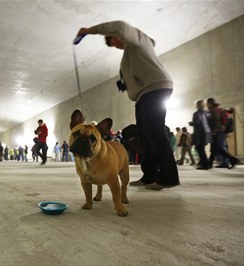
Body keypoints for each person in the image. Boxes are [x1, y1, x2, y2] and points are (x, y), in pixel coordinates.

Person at [76, 20, 179, 190]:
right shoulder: (127, 58)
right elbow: (131, 76)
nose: (115, 43)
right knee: (143, 135)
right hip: (141, 95)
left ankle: (168, 177)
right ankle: (149, 175)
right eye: (112, 44)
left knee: (154, 130)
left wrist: (89, 30)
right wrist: (125, 84)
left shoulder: (137, 40)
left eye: (115, 39)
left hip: (156, 87)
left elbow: (119, 25)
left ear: (122, 35)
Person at [206, 98, 240, 169]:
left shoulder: (213, 110)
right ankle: (210, 163)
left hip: (217, 131)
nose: (206, 105)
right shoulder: (218, 109)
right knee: (214, 147)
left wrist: (214, 131)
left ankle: (232, 160)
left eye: (207, 103)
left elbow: (215, 121)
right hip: (219, 131)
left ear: (209, 103)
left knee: (218, 147)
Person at [189, 99, 211, 170]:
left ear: (198, 105)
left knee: (199, 148)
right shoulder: (207, 113)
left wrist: (191, 123)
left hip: (200, 133)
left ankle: (205, 164)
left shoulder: (196, 113)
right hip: (207, 133)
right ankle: (204, 163)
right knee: (201, 148)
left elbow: (197, 123)